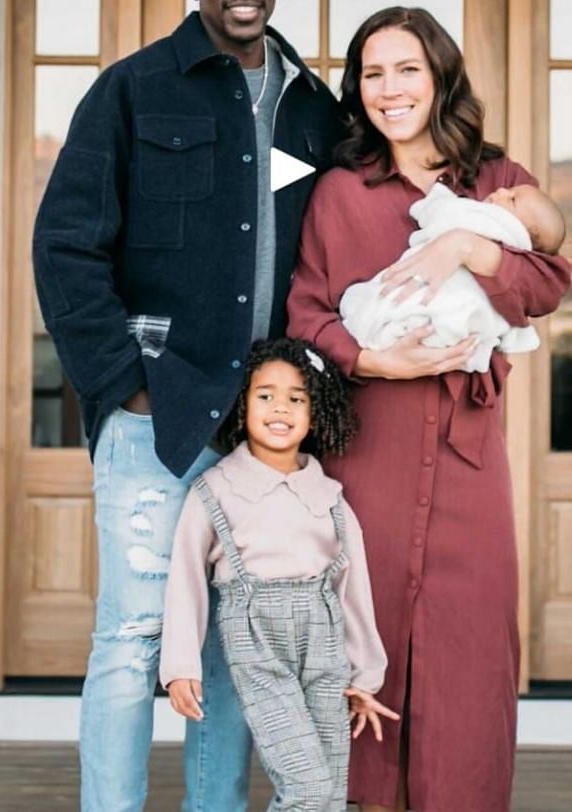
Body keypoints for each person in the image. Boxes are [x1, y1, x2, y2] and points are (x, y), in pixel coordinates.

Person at [33, 0, 344, 812]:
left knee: (231, 646)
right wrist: (124, 385)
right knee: (132, 639)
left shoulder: (311, 108)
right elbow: (65, 247)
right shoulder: (132, 90)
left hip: (262, 436)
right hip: (156, 421)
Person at [286, 6, 572, 812]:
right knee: (362, 640)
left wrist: (465, 247)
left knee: (470, 648)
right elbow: (306, 312)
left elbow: (548, 282)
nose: (390, 89)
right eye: (372, 74)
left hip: (468, 458)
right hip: (366, 454)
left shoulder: (496, 180)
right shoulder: (340, 193)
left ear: (440, 74)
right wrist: (375, 358)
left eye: (407, 68)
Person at [161, 337, 397, 812]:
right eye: (265, 395)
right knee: (306, 790)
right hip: (257, 646)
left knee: (329, 793)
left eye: (296, 398)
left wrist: (366, 674)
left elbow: (353, 590)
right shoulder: (216, 490)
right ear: (241, 404)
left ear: (315, 411)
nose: (280, 408)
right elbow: (185, 581)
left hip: (325, 647)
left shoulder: (328, 495)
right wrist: (180, 666)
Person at [339, 181, 566, 373]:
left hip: (463, 393)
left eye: (513, 199)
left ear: (524, 231)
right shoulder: (341, 187)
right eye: (509, 189)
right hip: (439, 351)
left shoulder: (486, 207)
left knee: (424, 306)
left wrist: (466, 245)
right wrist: (373, 363)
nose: (502, 190)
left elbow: (548, 285)